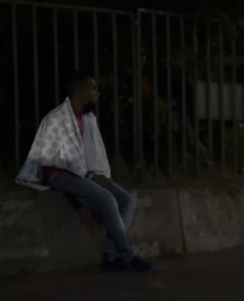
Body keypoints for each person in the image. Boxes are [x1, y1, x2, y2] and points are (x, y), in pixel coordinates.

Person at [16, 71, 150, 272]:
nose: (97, 92)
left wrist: (97, 174)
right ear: (80, 92)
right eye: (93, 88)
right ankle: (127, 255)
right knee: (107, 199)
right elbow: (55, 160)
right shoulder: (57, 119)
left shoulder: (88, 120)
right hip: (60, 175)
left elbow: (91, 155)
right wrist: (90, 176)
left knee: (127, 200)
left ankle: (111, 254)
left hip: (86, 175)